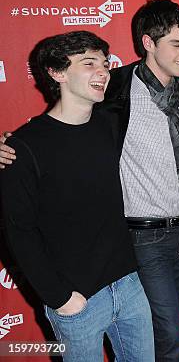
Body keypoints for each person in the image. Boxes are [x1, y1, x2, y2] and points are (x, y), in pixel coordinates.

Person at [0, 0, 179, 362]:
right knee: (170, 334)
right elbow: (19, 226)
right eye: (177, 44)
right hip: (142, 240)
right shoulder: (115, 91)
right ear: (148, 42)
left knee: (174, 330)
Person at [1, 31, 154, 361]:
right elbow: (19, 232)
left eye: (104, 63)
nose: (103, 71)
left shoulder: (110, 124)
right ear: (57, 73)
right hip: (77, 299)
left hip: (128, 285)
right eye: (89, 64)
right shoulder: (22, 148)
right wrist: (60, 298)